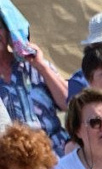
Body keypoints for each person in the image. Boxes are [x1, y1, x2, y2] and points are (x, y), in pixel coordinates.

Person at [0, 12, 70, 151]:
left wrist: (42, 66)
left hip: (54, 150)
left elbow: (70, 104)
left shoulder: (32, 64)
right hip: (11, 160)